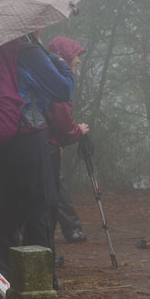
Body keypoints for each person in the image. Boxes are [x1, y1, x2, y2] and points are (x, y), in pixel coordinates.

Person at [0, 32, 74, 290]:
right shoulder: (29, 52)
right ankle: (41, 280)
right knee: (40, 205)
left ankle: (0, 282)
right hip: (28, 135)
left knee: (3, 209)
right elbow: (63, 90)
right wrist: (60, 63)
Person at [46, 36, 89, 244]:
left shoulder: (47, 75)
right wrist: (77, 132)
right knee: (51, 191)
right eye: (75, 59)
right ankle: (48, 240)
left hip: (47, 144)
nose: (78, 63)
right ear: (64, 58)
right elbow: (61, 118)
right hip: (45, 146)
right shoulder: (56, 81)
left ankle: (69, 230)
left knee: (55, 188)